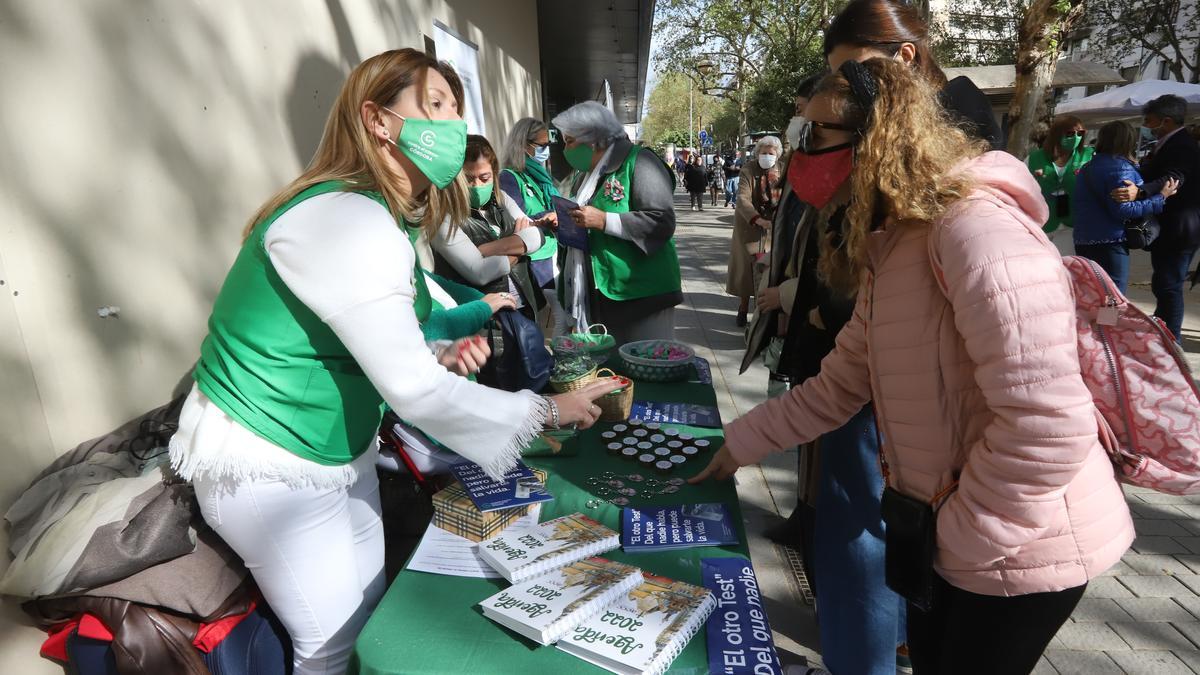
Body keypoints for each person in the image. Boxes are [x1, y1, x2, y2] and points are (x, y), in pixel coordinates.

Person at [167, 49, 620, 675]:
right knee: (327, 650)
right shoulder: (345, 219)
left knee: (369, 624)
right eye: (436, 105)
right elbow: (411, 389)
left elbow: (377, 343)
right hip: (270, 468)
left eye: (457, 109)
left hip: (336, 452)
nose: (454, 124)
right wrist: (544, 409)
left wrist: (438, 349)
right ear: (378, 121)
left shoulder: (383, 217)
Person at [694, 57, 1133, 675]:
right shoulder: (898, 240)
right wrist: (738, 443)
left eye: (815, 135)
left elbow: (1047, 427)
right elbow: (841, 384)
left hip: (1022, 546)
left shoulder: (977, 234)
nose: (800, 155)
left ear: (877, 139)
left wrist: (955, 535)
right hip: (956, 538)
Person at [553, 101, 682, 344]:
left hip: (644, 295)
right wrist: (564, 219)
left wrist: (603, 220)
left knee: (647, 366)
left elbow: (661, 222)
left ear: (592, 139)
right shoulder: (587, 174)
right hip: (603, 293)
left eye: (570, 141)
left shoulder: (641, 162)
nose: (565, 149)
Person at [1112, 94, 1200, 341]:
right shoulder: (1169, 144)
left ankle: (1172, 340)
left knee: (1169, 285)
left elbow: (1173, 179)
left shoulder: (1182, 145)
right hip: (1170, 227)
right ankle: (1163, 332)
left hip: (1180, 228)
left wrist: (1139, 191)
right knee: (1163, 283)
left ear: (1167, 121)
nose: (1147, 127)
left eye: (1150, 121)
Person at [429, 134, 544, 319]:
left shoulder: (501, 197)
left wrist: (485, 249)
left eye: (485, 177)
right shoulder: (442, 215)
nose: (477, 185)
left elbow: (537, 236)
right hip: (481, 317)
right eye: (468, 179)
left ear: (495, 173)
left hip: (523, 303)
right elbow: (480, 273)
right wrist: (519, 243)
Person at [1072, 121, 1177, 293]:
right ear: (1128, 141)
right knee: (1113, 298)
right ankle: (1108, 321)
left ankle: (1092, 321)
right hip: (1110, 242)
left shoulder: (1087, 167)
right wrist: (1160, 198)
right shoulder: (1121, 169)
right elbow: (1123, 210)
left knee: (1091, 294)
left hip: (1083, 239)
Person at [498, 117, 568, 334]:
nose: (547, 151)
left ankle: (562, 360)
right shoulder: (508, 177)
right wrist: (548, 215)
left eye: (549, 145)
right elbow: (516, 219)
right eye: (542, 146)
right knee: (560, 317)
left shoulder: (540, 175)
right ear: (522, 144)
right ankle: (562, 362)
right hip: (536, 257)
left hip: (554, 249)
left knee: (563, 317)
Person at [728, 135, 783, 327]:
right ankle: (743, 308)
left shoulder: (782, 171)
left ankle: (761, 314)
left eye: (771, 153)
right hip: (749, 228)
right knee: (745, 273)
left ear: (777, 154)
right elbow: (743, 198)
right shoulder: (748, 169)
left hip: (773, 229)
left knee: (767, 273)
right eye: (763, 152)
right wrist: (756, 218)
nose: (767, 156)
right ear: (757, 152)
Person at [1027, 115, 1093, 246]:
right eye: (1069, 133)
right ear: (1056, 135)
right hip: (1042, 223)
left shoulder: (1089, 155)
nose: (1075, 137)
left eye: (1080, 133)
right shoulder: (1033, 158)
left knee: (1065, 263)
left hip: (1073, 224)